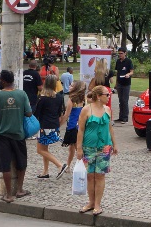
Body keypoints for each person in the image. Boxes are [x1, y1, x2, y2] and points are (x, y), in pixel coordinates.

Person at [0, 70, 33, 203]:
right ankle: (19, 189)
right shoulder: (22, 94)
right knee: (21, 162)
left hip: (2, 135)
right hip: (18, 134)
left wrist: (1, 113)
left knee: (5, 164)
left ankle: (8, 195)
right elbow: (29, 113)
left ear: (4, 81)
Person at [76, 85, 119, 216]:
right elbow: (81, 130)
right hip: (88, 147)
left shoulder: (107, 110)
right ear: (99, 96)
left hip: (104, 147)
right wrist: (79, 148)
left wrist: (115, 144)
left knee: (100, 175)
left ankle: (97, 204)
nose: (109, 96)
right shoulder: (86, 109)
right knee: (90, 175)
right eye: (107, 94)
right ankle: (91, 202)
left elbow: (110, 128)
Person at [34, 74, 68, 179]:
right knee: (45, 149)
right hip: (54, 125)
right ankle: (45, 171)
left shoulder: (42, 98)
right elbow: (60, 112)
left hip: (44, 126)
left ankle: (60, 165)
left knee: (40, 150)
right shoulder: (59, 97)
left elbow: (37, 113)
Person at [61, 81, 86, 170]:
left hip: (72, 125)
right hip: (80, 124)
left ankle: (85, 166)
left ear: (76, 88)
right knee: (72, 148)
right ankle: (68, 165)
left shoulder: (71, 99)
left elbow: (67, 114)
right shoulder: (83, 98)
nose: (69, 87)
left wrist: (59, 124)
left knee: (77, 148)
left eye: (71, 86)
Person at [114, 47, 133, 124]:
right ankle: (120, 117)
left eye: (121, 53)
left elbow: (132, 71)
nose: (120, 55)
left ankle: (125, 118)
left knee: (125, 100)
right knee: (120, 100)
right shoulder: (118, 61)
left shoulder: (128, 61)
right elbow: (117, 72)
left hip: (126, 83)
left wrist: (128, 74)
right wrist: (116, 83)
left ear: (125, 53)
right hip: (119, 83)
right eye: (119, 53)